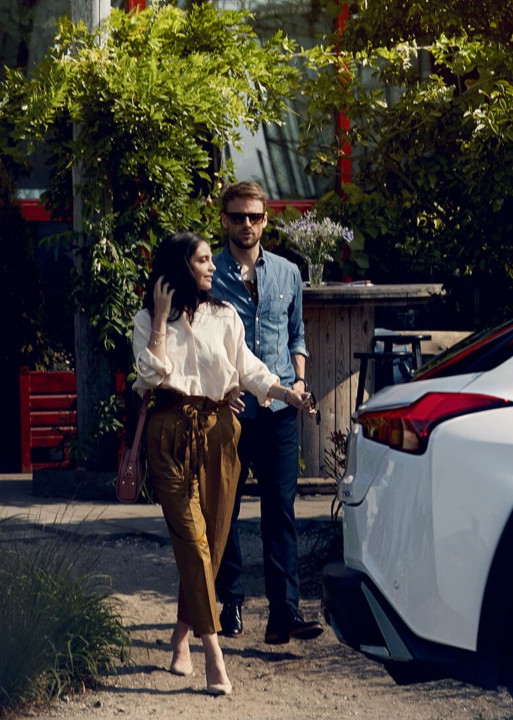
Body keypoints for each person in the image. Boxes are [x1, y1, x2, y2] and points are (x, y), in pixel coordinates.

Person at [132, 232, 313, 695]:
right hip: (169, 433)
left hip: (219, 432)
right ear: (181, 267)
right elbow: (149, 375)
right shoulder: (148, 319)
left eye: (212, 260)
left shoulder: (224, 315)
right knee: (192, 540)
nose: (213, 268)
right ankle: (213, 655)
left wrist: (283, 391)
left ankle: (179, 639)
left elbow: (247, 368)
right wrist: (157, 324)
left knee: (210, 542)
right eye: (203, 260)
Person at [211, 181, 324, 645]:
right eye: (237, 216)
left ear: (265, 220)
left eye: (254, 217)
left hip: (279, 406)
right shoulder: (209, 273)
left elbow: (296, 334)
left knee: (281, 510)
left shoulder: (288, 273)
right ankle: (231, 601)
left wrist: (298, 380)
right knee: (227, 509)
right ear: (224, 220)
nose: (246, 225)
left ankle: (284, 613)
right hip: (233, 408)